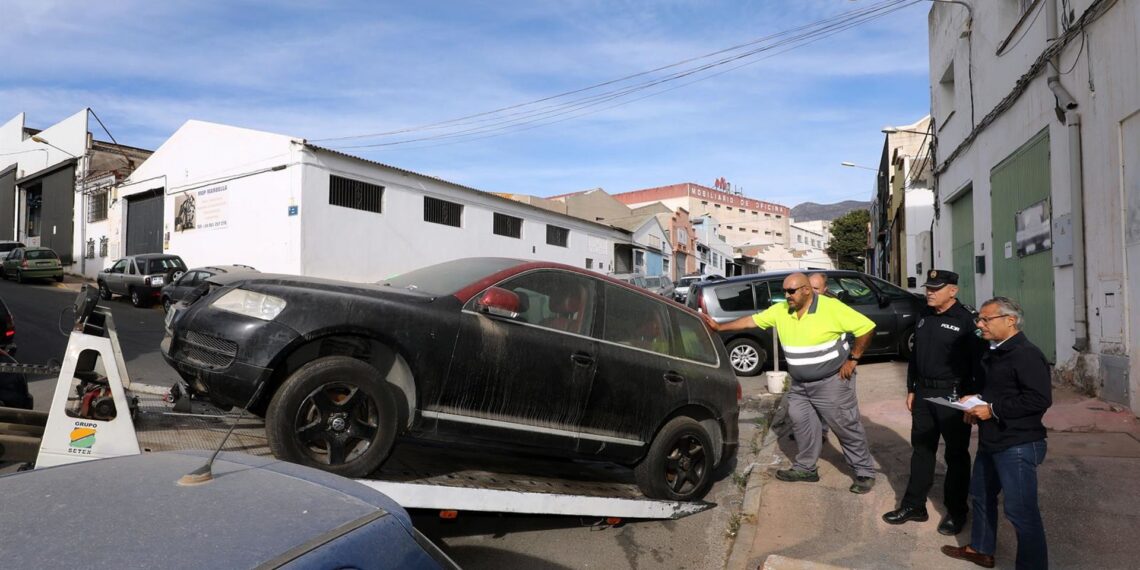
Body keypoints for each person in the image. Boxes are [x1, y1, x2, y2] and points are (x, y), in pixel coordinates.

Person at [703, 272, 877, 493]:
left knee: (845, 426)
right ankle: (806, 468)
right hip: (800, 386)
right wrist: (720, 327)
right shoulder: (781, 311)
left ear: (806, 290)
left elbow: (866, 327)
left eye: (791, 291)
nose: (786, 296)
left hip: (831, 382)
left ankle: (863, 471)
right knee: (803, 426)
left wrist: (853, 359)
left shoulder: (830, 308)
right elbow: (752, 320)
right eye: (784, 291)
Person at [941, 296, 1052, 570]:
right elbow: (1000, 391)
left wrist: (991, 410)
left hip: (1017, 444)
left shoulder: (1026, 354)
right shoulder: (994, 350)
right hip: (993, 440)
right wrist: (976, 400)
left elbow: (1039, 399)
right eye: (979, 319)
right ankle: (981, 549)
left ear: (1010, 320)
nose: (980, 324)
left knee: (1021, 512)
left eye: (985, 319)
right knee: (980, 494)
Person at [883, 269, 984, 535]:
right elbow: (915, 356)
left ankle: (957, 510)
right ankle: (914, 505)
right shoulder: (924, 316)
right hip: (924, 393)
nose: (930, 292)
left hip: (954, 394)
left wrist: (971, 396)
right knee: (922, 450)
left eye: (936, 288)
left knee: (956, 455)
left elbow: (978, 363)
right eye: (928, 287)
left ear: (953, 291)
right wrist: (911, 388)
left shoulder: (966, 320)